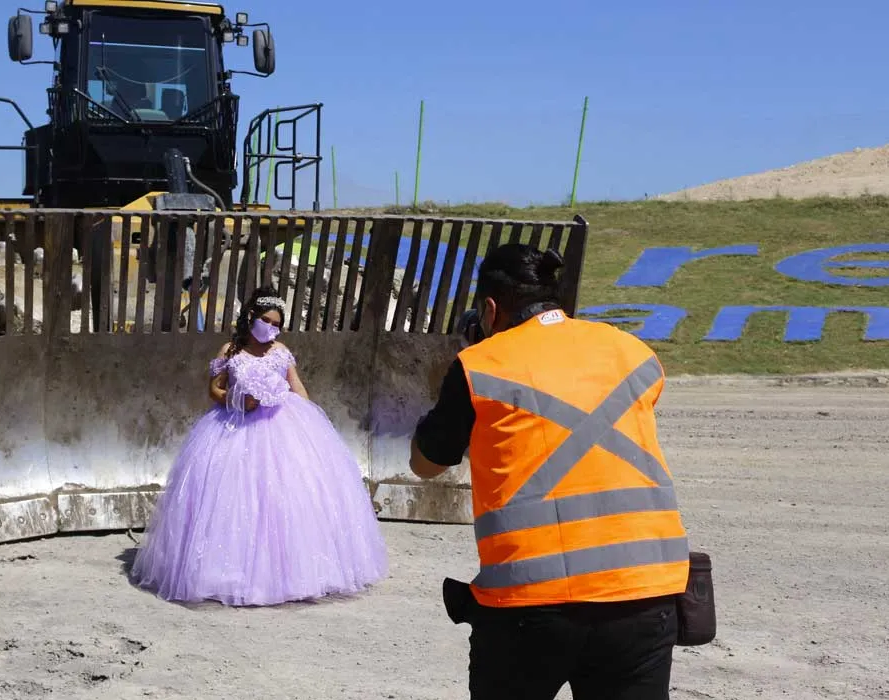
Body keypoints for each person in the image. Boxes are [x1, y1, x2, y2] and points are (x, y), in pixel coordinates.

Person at [410, 243, 691, 699]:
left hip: (529, 603)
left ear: (490, 309)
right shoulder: (632, 350)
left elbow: (426, 464)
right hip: (645, 593)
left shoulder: (480, 364)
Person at [130, 286, 389, 606]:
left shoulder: (280, 351)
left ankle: (290, 573)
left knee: (286, 496)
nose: (271, 328)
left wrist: (307, 422)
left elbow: (298, 389)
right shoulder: (230, 350)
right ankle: (228, 572)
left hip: (281, 426)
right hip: (234, 427)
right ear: (251, 317)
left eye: (276, 324)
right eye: (266, 320)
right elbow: (214, 389)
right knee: (233, 498)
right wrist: (237, 399)